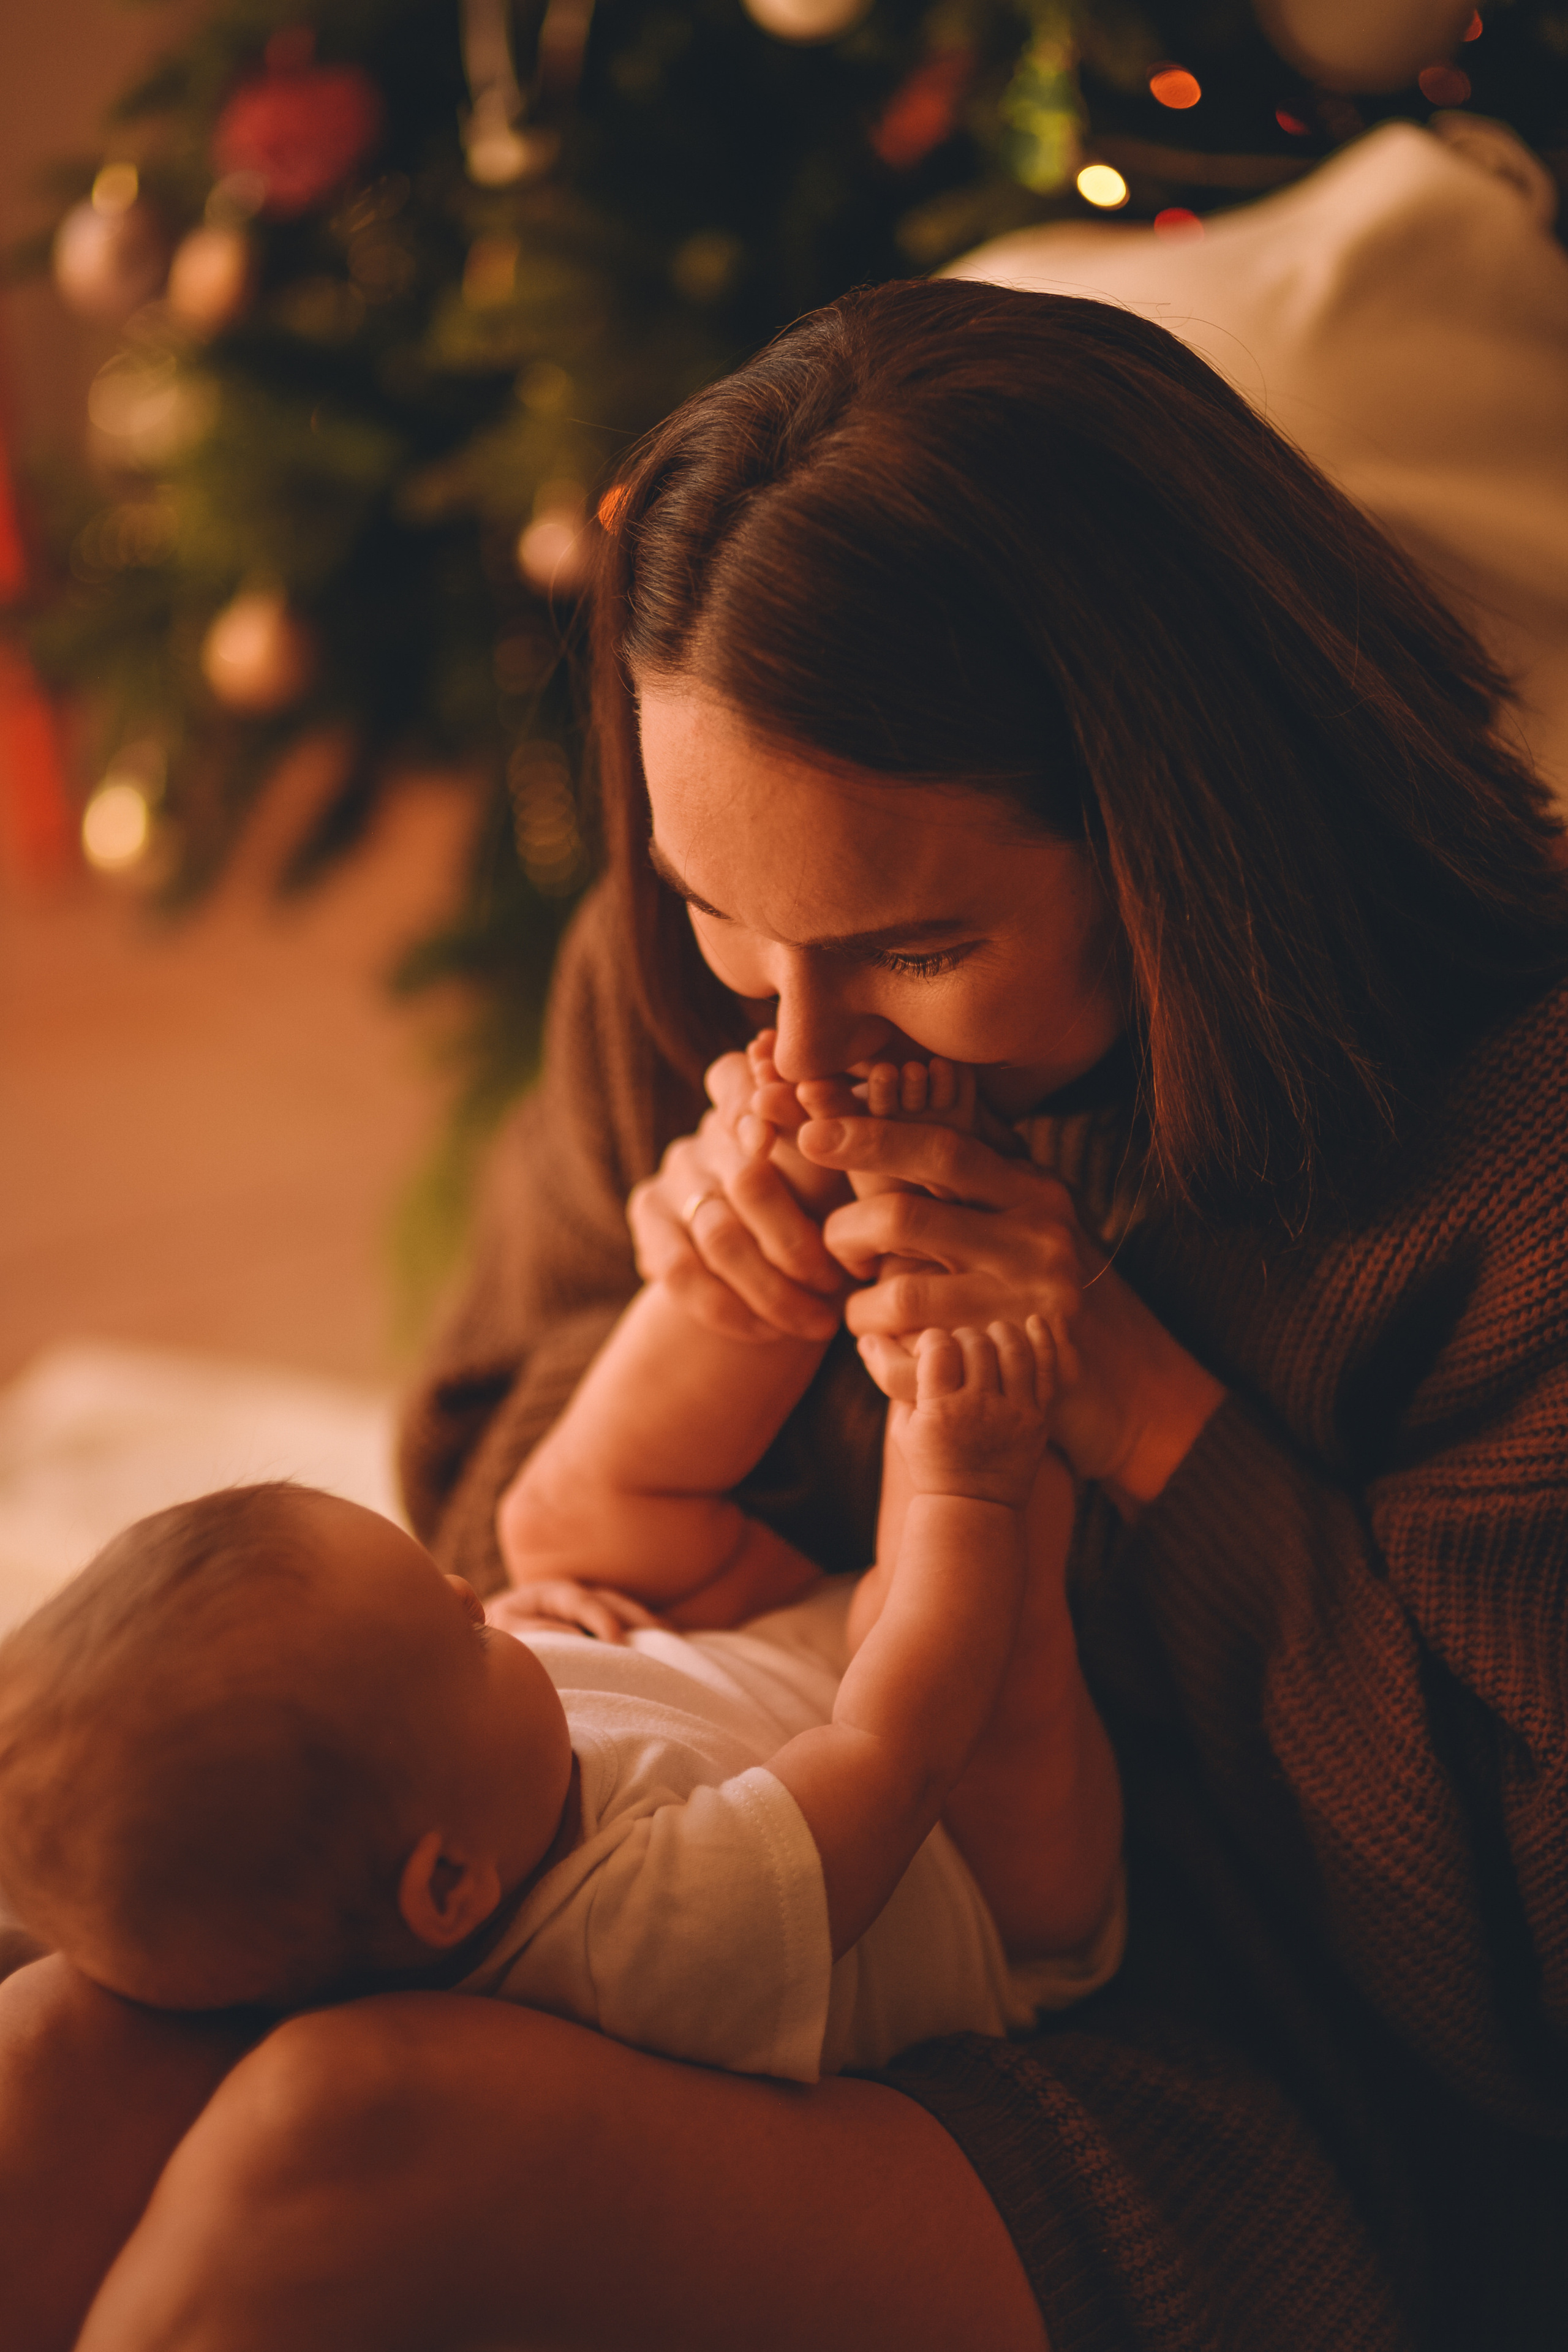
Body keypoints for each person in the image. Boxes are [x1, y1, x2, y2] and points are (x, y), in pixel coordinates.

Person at [5, 275, 1567, 2351]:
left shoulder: (1508, 1175)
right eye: (730, 927)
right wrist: (698, 1338)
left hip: (1227, 2084)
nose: (804, 1051)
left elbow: (1510, 1993)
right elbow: (481, 1575)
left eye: (918, 946)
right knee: (62, 2068)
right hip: (674, 1920)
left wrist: (1133, 1406)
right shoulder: (713, 971)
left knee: (346, 2140)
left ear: (1181, 830)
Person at [0, 1237, 1120, 2073]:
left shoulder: (476, 1781)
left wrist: (527, 1615)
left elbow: (488, 1664)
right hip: (980, 1875)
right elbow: (898, 1748)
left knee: (551, 1523)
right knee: (962, 1593)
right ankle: (979, 1414)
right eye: (463, 1634)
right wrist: (963, 1486)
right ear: (449, 1884)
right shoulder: (638, 1941)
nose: (463, 1590)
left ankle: (747, 1257)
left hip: (750, 1677)